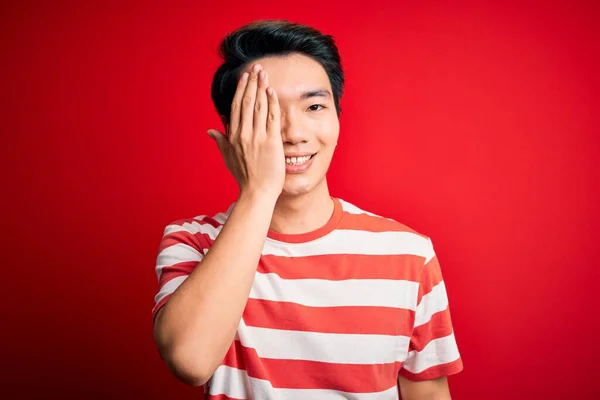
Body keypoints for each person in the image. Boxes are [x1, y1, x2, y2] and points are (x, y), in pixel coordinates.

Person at [152, 19, 463, 400]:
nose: (294, 133)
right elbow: (190, 361)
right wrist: (258, 193)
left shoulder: (409, 254)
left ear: (337, 117)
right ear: (233, 130)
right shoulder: (193, 242)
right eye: (264, 112)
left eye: (314, 106)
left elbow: (429, 395)